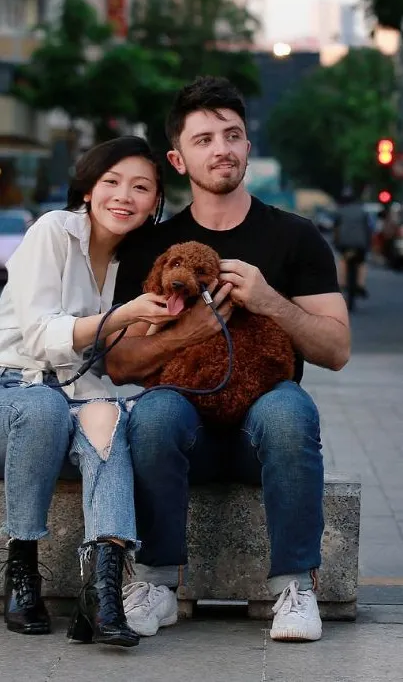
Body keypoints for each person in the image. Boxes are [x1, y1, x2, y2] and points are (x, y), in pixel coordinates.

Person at [107, 76, 351, 642]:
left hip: (261, 428)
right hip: (184, 430)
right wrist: (187, 332)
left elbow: (336, 350)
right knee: (153, 413)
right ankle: (156, 583)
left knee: (291, 411)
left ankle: (295, 588)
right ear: (178, 158)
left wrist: (271, 303)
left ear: (247, 145)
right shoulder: (152, 246)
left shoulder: (295, 236)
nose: (221, 149)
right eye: (204, 139)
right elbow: (120, 365)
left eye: (233, 135)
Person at [0, 136, 179, 647]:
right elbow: (38, 337)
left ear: (154, 203)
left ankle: (101, 594)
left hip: (75, 394)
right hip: (13, 386)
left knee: (108, 422)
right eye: (112, 182)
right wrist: (119, 317)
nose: (125, 196)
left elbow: (109, 370)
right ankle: (21, 574)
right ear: (88, 188)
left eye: (141, 188)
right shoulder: (53, 231)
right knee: (42, 411)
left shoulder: (136, 261)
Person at [333, 188, 373, 298]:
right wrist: (368, 244)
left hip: (345, 244)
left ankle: (342, 283)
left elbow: (336, 229)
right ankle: (361, 284)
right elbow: (368, 229)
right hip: (360, 244)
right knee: (361, 262)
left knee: (343, 260)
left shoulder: (340, 211)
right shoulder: (363, 212)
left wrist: (336, 242)